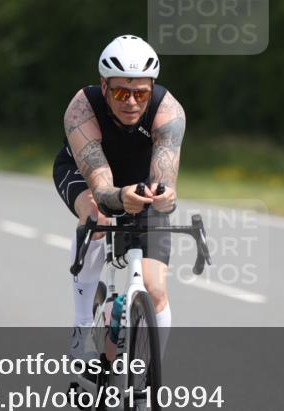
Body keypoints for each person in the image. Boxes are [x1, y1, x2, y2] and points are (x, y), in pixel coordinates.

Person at [53, 35, 185, 359]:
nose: (131, 102)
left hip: (138, 181)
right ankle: (82, 325)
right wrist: (119, 197)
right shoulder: (81, 109)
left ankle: (148, 378)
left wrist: (164, 196)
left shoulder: (169, 112)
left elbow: (163, 178)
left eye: (141, 93)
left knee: (155, 291)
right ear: (104, 85)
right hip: (87, 174)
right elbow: (101, 187)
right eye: (121, 92)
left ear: (152, 88)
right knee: (97, 217)